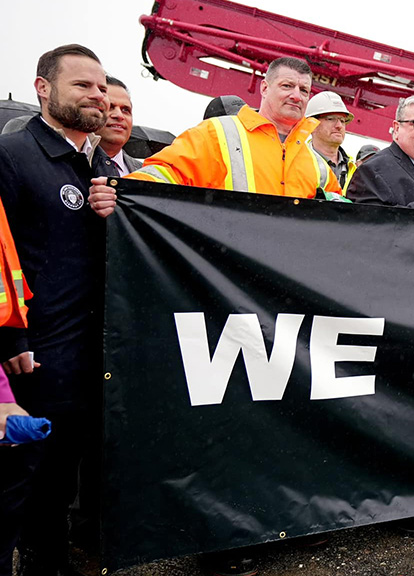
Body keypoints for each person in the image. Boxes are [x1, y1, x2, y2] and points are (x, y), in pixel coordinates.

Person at [0, 43, 119, 576]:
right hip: (32, 363)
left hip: (85, 358)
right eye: (82, 85)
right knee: (21, 483)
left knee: (60, 481)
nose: (97, 95)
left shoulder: (95, 163)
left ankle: (49, 563)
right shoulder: (14, 156)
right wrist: (10, 343)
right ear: (43, 89)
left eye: (101, 86)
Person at [88, 57, 341, 215]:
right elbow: (166, 173)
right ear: (264, 88)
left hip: (284, 286)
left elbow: (343, 215)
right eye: (287, 86)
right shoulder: (217, 134)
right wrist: (120, 191)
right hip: (227, 278)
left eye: (304, 90)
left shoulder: (316, 164)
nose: (297, 95)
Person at [305, 91, 356, 191]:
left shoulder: (353, 169)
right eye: (331, 119)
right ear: (312, 124)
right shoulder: (298, 162)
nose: (339, 126)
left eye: (342, 121)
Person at [95, 76, 141, 177]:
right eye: (110, 107)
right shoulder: (66, 164)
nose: (119, 116)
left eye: (125, 110)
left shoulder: (144, 173)